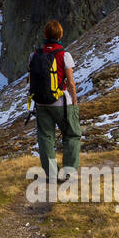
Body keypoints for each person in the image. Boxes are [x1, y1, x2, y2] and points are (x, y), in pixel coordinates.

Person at [28, 19, 82, 179]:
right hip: (61, 102)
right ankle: (69, 172)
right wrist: (75, 100)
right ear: (60, 35)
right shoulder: (64, 55)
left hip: (40, 101)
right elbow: (70, 82)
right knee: (71, 134)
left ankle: (51, 174)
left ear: (45, 35)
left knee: (45, 137)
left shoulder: (34, 55)